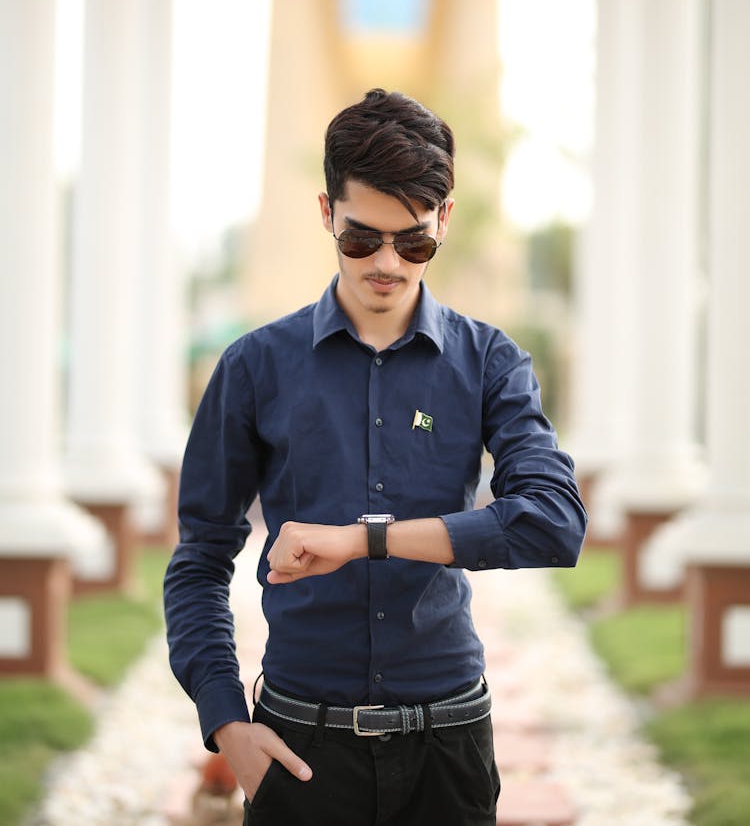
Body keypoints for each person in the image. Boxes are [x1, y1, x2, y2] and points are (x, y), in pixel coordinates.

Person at [164, 88, 587, 826]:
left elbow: (554, 523)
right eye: (362, 237)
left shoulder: (491, 362)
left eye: (414, 240)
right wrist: (228, 724)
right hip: (299, 749)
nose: (387, 262)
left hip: (448, 746)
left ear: (445, 219)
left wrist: (362, 539)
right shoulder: (254, 366)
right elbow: (200, 556)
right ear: (327, 212)